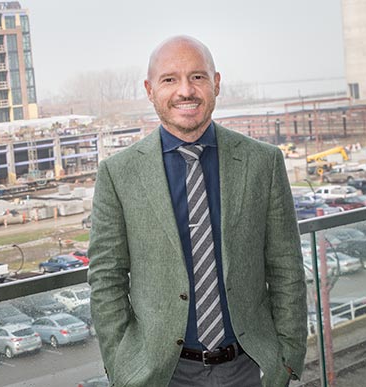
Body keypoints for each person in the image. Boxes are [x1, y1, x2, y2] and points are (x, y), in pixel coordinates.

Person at [88, 35, 307, 387]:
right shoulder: (118, 173)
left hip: (249, 367)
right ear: (149, 89)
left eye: (198, 77)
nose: (185, 91)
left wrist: (289, 357)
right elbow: (106, 279)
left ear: (216, 83)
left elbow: (287, 267)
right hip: (160, 374)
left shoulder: (262, 162)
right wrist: (121, 364)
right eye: (170, 79)